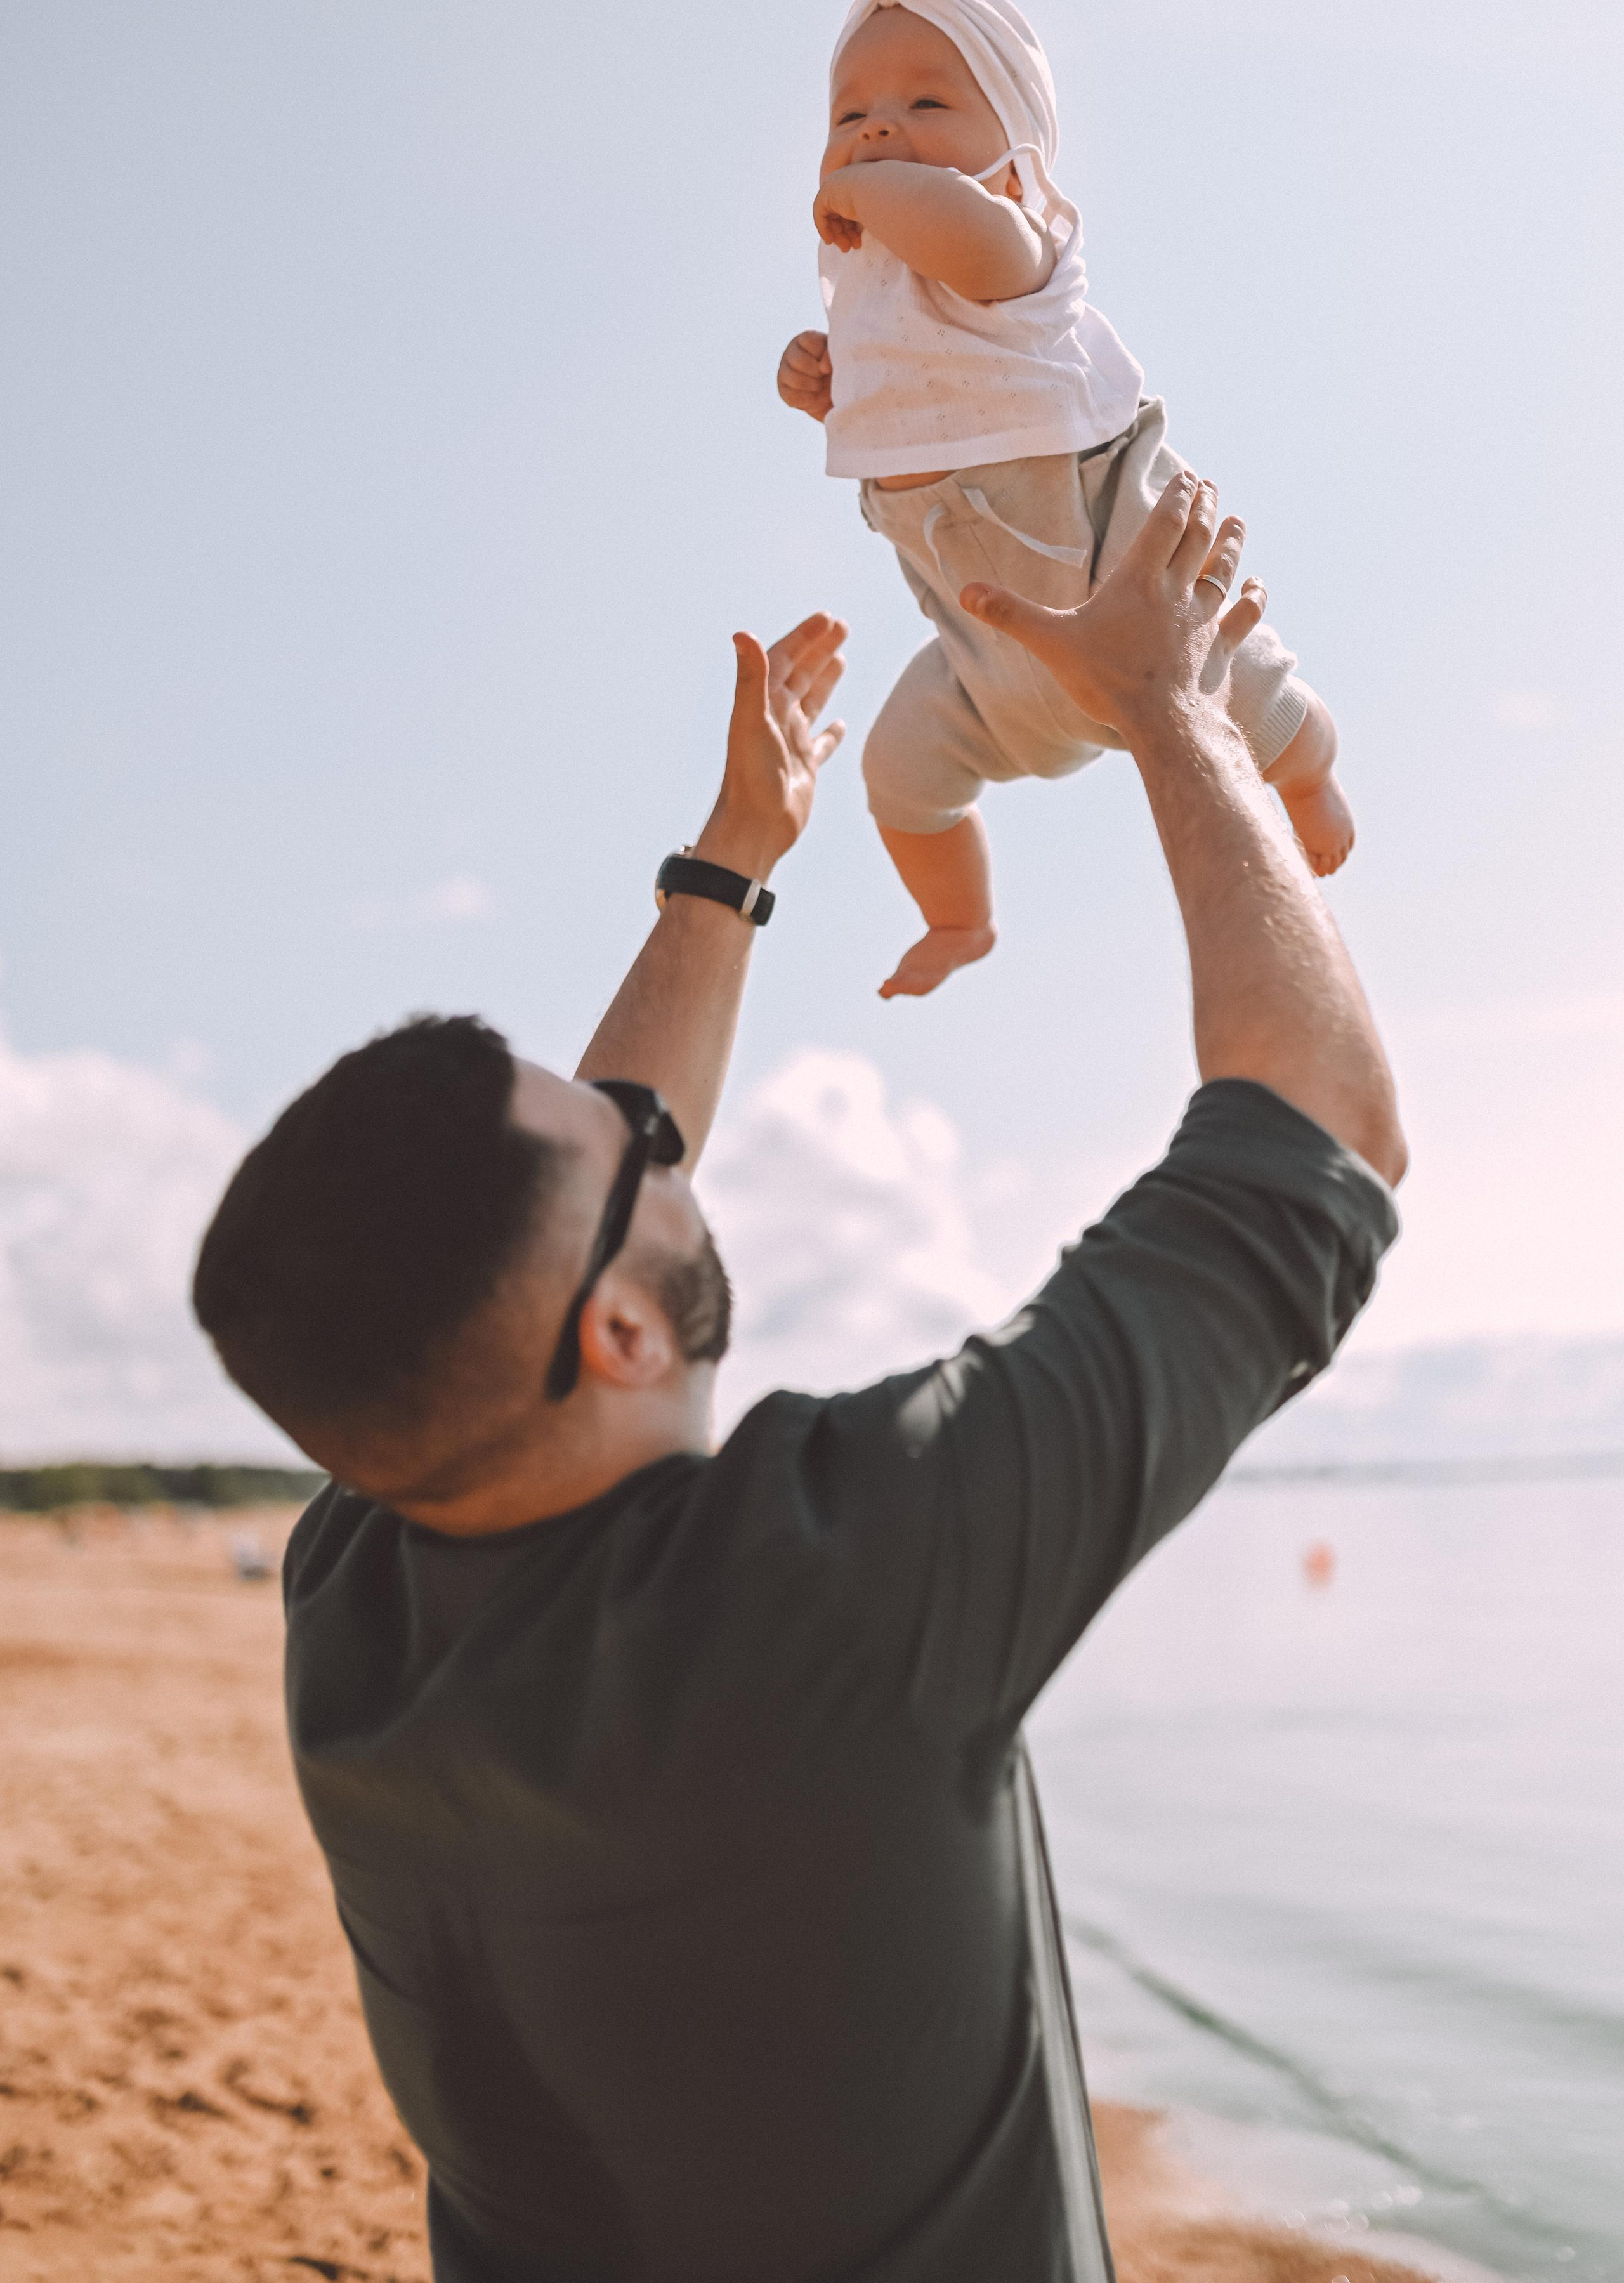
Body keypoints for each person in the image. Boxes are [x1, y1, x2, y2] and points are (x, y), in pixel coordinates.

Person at [191, 475, 1405, 2283]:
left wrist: (734, 858)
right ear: (614, 1339)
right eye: (630, 1164)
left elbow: (578, 1187)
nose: (657, 1142)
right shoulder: (844, 1580)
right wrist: (1172, 704)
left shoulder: (361, 1599)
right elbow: (1317, 1142)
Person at [778, 0, 1356, 1000]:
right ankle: (959, 919)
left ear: (1019, 152)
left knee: (1259, 697)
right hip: (985, 663)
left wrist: (877, 183)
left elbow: (955, 233)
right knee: (896, 778)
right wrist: (823, 375)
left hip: (1128, 599)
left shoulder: (1014, 242)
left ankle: (1313, 778)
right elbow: (899, 395)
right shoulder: (876, 288)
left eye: (927, 103)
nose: (876, 127)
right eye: (849, 114)